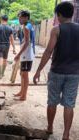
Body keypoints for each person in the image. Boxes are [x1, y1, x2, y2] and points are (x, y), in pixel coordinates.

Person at [33, 2, 79, 139]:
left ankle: (50, 127)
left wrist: (38, 70)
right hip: (74, 73)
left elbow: (48, 51)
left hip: (57, 72)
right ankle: (66, 134)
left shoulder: (57, 30)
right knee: (69, 104)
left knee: (52, 101)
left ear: (59, 14)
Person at [14, 11, 35, 101]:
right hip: (26, 54)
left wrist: (18, 54)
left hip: (27, 54)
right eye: (18, 18)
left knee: (24, 75)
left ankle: (24, 95)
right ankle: (21, 92)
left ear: (26, 18)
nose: (19, 19)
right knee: (22, 74)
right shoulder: (28, 25)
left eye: (20, 18)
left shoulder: (26, 27)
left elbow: (27, 43)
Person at [0, 15, 16, 79]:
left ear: (1, 19)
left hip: (0, 45)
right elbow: (12, 39)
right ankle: (2, 73)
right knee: (5, 59)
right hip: (7, 46)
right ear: (7, 20)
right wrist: (14, 48)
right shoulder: (10, 28)